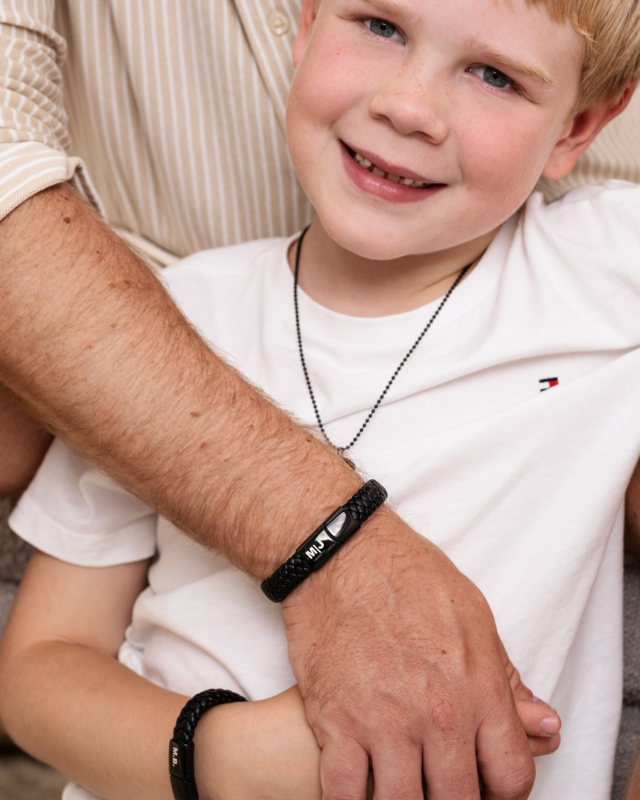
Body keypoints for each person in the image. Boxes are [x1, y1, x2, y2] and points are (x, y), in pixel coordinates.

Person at [1, 0, 639, 798]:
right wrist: (223, 756)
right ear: (304, 26)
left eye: (494, 76)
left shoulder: (607, 272)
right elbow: (39, 669)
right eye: (379, 26)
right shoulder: (168, 317)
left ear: (579, 128)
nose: (409, 107)